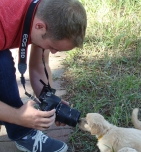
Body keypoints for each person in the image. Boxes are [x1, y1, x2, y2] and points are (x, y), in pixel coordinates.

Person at [0, 0, 87, 151]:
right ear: (39, 26)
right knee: (2, 64)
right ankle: (22, 132)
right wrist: (17, 117)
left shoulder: (44, 12)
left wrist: (51, 100)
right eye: (53, 47)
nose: (53, 53)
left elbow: (39, 65)